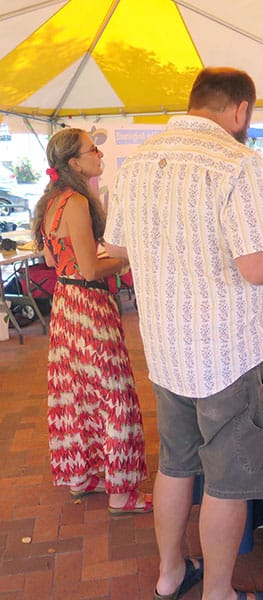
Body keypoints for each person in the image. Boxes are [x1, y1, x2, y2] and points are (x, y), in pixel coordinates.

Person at [104, 67, 263, 600]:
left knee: (176, 466)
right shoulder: (237, 162)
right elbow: (258, 267)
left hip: (165, 347)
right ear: (240, 111)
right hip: (228, 353)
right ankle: (219, 593)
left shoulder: (136, 163)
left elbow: (118, 250)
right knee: (229, 480)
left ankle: (169, 573)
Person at [32, 128, 151, 515]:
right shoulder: (78, 201)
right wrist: (131, 256)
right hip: (89, 308)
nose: (98, 153)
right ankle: (120, 492)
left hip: (66, 308)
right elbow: (88, 268)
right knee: (113, 395)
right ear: (74, 163)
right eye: (91, 149)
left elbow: (55, 262)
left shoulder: (52, 203)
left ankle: (84, 477)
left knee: (80, 396)